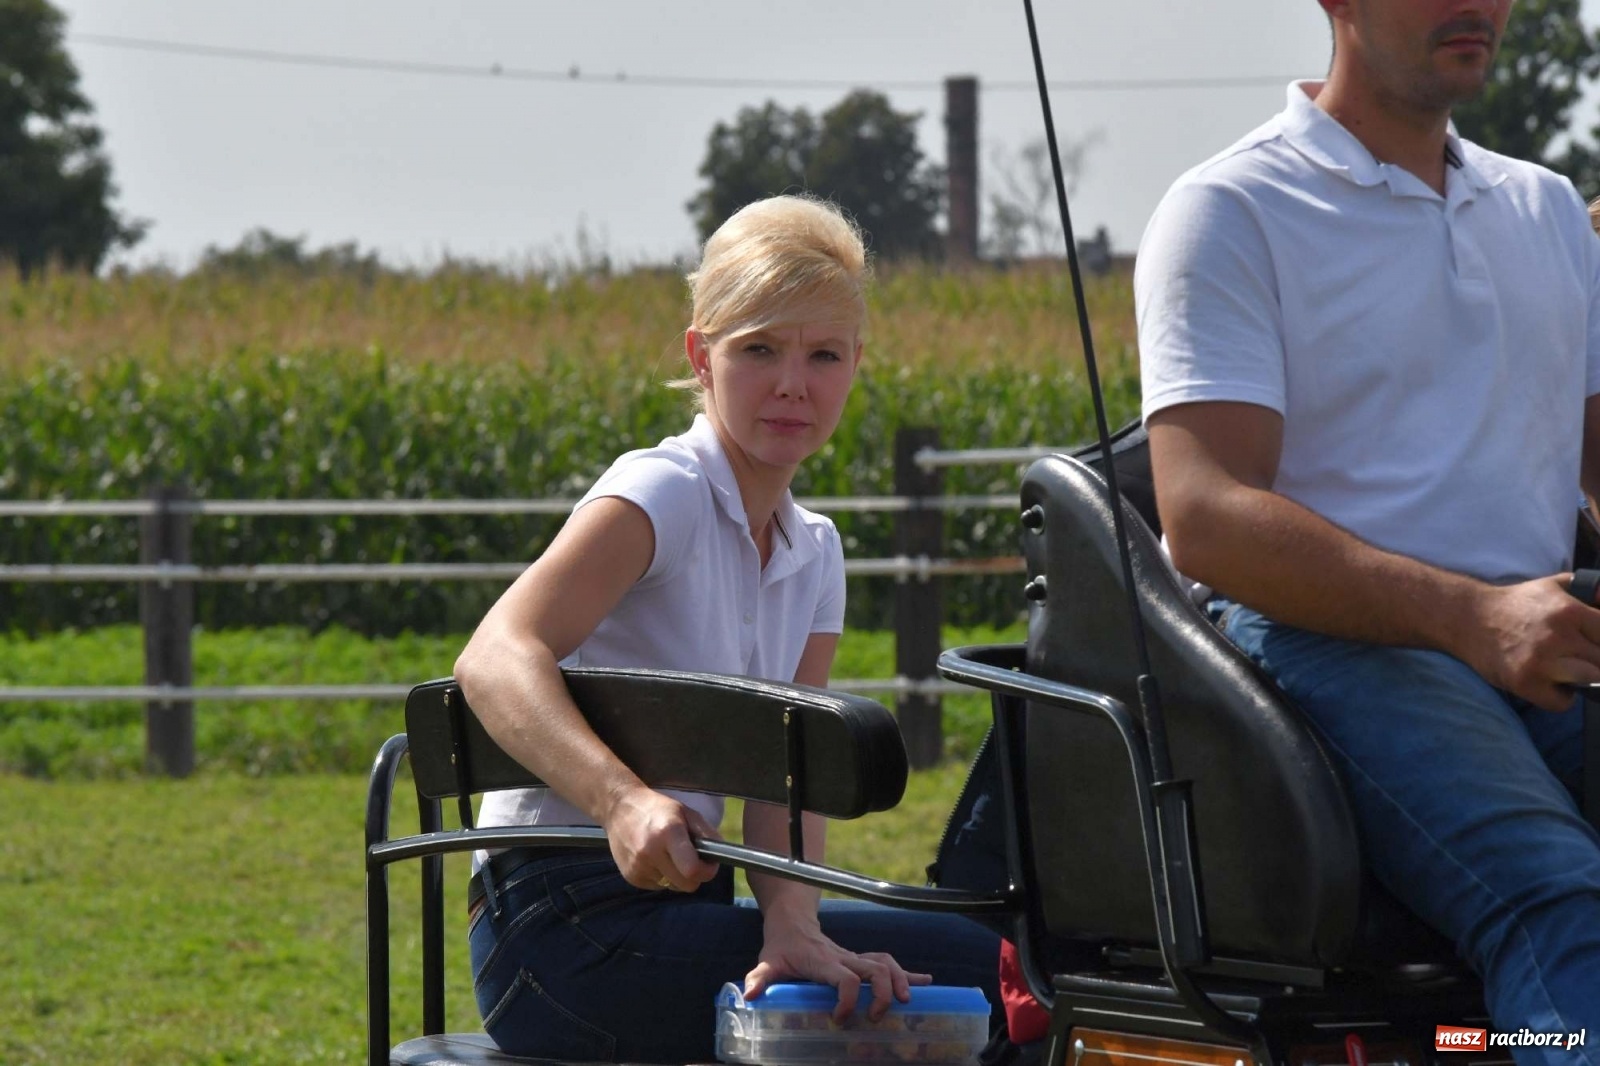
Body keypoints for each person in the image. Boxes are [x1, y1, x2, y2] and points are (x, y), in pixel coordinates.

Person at [1135, 0, 1600, 1056]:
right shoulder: (1230, 208)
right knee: (1561, 896)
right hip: (1325, 645)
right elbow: (1204, 515)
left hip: (1535, 635)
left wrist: (1504, 622)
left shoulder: (1545, 210)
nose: (1476, 5)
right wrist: (1470, 616)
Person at [452, 194, 1001, 1063]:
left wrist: (792, 925)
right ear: (700, 357)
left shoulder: (815, 553)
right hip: (558, 931)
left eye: (824, 354)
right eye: (759, 349)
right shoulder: (660, 493)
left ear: (857, 364)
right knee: (1005, 986)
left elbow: (786, 777)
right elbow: (493, 656)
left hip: (689, 912)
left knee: (985, 965)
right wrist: (621, 802)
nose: (794, 382)